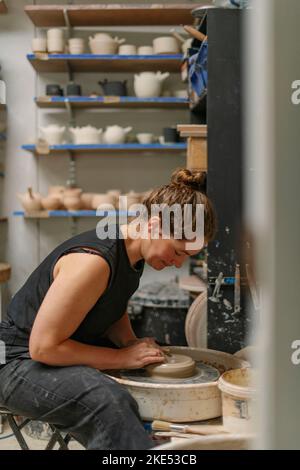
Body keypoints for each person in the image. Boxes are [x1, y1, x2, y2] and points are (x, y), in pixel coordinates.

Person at [0, 168, 216, 450]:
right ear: (153, 226)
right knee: (107, 401)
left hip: (53, 351)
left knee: (155, 357)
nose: (178, 263)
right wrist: (122, 357)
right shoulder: (93, 262)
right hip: (17, 361)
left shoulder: (131, 253)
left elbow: (110, 306)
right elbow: (44, 348)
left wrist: (129, 342)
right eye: (177, 251)